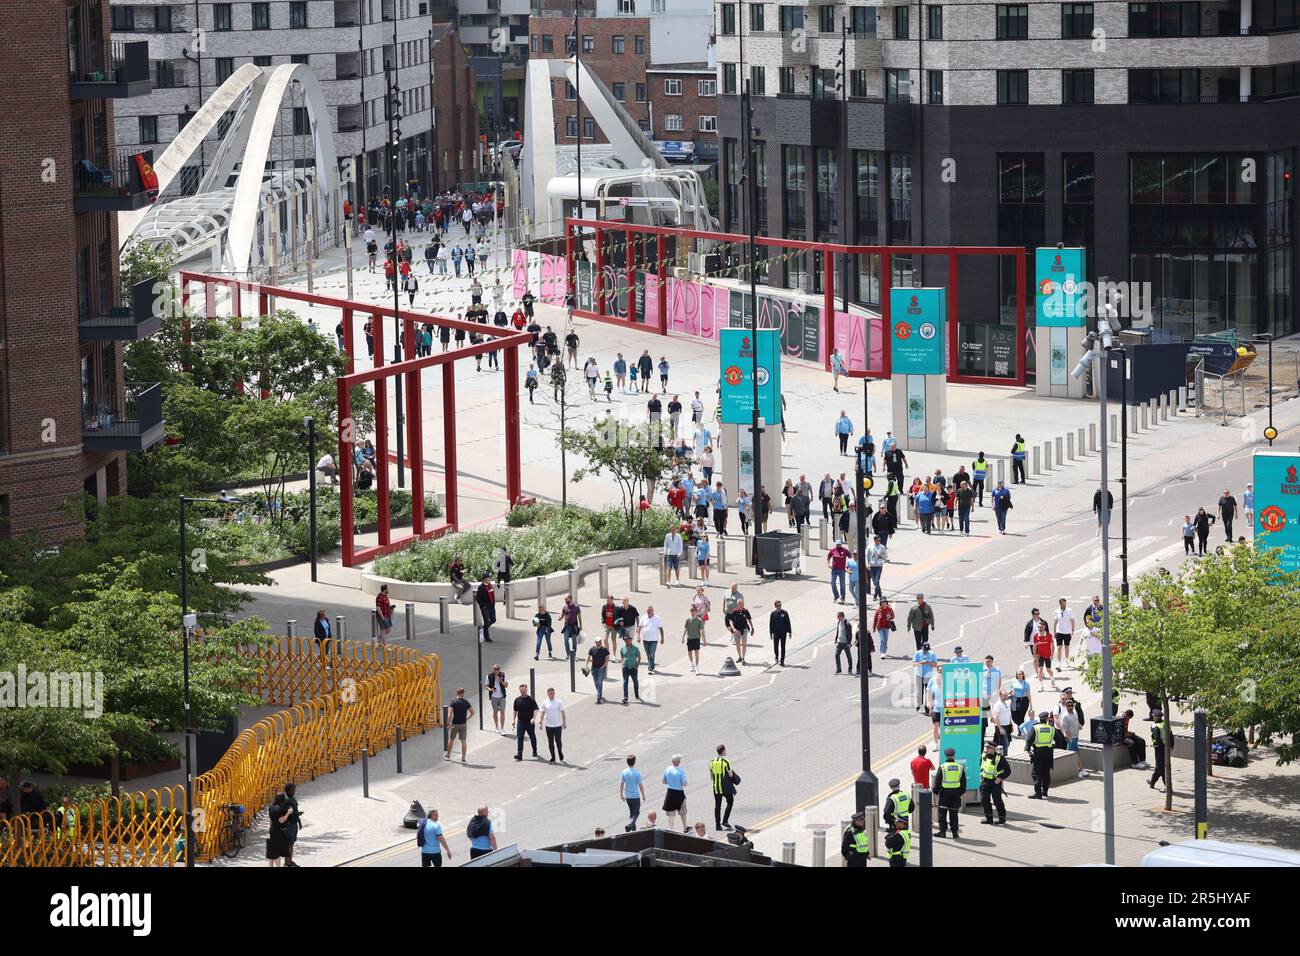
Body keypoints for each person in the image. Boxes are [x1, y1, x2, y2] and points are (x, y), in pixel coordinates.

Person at [932, 747, 966, 839]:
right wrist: (958, 793)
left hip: (944, 794)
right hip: (955, 794)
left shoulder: (942, 767)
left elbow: (937, 782)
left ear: (945, 756)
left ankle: (942, 832)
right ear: (954, 755)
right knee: (954, 813)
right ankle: (955, 833)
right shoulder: (960, 767)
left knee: (942, 813)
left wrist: (936, 792)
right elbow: (963, 785)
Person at [978, 741, 1011, 825]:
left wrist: (1000, 778)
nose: (987, 749)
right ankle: (989, 819)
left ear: (993, 749)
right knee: (984, 800)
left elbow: (1008, 770)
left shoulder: (1000, 758)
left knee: (997, 801)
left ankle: (1002, 819)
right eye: (986, 747)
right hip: (985, 781)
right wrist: (981, 773)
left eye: (988, 748)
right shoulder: (984, 756)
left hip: (995, 782)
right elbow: (982, 766)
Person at [1027, 711, 1056, 799]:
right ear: (1047, 719)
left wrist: (1028, 749)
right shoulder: (1051, 728)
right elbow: (1059, 739)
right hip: (1049, 752)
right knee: (1046, 772)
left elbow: (1029, 739)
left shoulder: (1035, 728)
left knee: (1036, 773)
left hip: (1038, 752)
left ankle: (1038, 793)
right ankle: (1045, 792)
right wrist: (1053, 746)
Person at [709, 744, 737, 831]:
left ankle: (717, 825)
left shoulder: (711, 762)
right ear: (723, 751)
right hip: (725, 787)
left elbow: (711, 776)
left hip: (715, 787)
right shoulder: (726, 762)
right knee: (730, 801)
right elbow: (730, 774)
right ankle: (725, 820)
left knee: (717, 806)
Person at [512, 684, 540, 760]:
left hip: (529, 723)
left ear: (527, 690)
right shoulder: (517, 700)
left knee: (532, 737)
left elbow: (535, 709)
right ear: (520, 691)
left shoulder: (531, 699)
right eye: (521, 690)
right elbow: (515, 710)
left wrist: (534, 718)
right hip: (520, 723)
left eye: (524, 690)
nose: (523, 691)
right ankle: (519, 754)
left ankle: (534, 750)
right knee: (520, 738)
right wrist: (513, 720)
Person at [538, 687, 567, 763]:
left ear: (554, 693)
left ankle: (560, 752)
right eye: (550, 693)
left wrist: (564, 723)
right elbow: (542, 713)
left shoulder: (559, 702)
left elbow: (563, 713)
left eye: (553, 693)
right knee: (550, 742)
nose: (552, 694)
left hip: (557, 725)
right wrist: (540, 722)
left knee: (558, 741)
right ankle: (553, 757)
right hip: (549, 726)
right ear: (547, 694)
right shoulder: (545, 702)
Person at [445, 687, 472, 763]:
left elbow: (450, 714)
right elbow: (472, 712)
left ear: (457, 693)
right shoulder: (466, 702)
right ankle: (463, 759)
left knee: (451, 739)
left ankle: (448, 755)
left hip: (455, 724)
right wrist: (467, 718)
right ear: (463, 694)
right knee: (463, 741)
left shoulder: (453, 702)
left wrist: (448, 723)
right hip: (463, 724)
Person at [662, 755, 689, 831]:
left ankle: (671, 829)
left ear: (672, 761)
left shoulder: (667, 769)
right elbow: (684, 783)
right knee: (683, 811)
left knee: (671, 813)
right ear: (679, 762)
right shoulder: (681, 770)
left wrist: (671, 782)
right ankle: (685, 827)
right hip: (679, 793)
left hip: (670, 792)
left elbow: (664, 781)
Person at [266, 793, 292, 867]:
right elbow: (281, 820)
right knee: (277, 852)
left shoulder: (271, 807)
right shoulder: (279, 808)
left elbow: (270, 820)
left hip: (272, 830)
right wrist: (288, 813)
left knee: (272, 851)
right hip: (277, 831)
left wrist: (271, 829)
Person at [621, 755, 646, 831]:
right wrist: (643, 795)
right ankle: (630, 824)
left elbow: (621, 785)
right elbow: (640, 785)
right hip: (635, 796)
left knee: (632, 813)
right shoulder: (637, 773)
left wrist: (621, 795)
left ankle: (633, 829)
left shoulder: (624, 772)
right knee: (636, 813)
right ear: (634, 762)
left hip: (628, 796)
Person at [1149, 709, 1172, 791]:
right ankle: (1152, 782)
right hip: (1166, 748)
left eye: (1153, 716)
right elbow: (1171, 735)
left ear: (1155, 717)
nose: (1152, 717)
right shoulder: (1166, 724)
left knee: (1160, 767)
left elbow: (1157, 739)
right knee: (1159, 766)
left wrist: (1156, 745)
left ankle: (1167, 787)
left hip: (1159, 749)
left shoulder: (1155, 727)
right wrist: (1171, 746)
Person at [485, 664, 509, 735]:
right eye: (495, 670)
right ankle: (496, 727)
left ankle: (502, 729)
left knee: (502, 711)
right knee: (495, 711)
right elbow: (486, 686)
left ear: (499, 670)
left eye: (497, 670)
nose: (496, 671)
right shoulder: (489, 676)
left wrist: (500, 681)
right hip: (493, 697)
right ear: (493, 670)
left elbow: (506, 685)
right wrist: (491, 690)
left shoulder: (503, 675)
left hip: (502, 696)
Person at [1053, 597, 1076, 669]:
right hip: (1059, 631)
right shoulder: (1057, 611)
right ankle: (1058, 663)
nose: (1064, 605)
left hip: (1067, 632)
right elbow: (1055, 622)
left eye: (1065, 603)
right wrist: (1054, 632)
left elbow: (1072, 621)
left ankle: (1066, 660)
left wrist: (1072, 630)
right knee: (1059, 647)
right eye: (1063, 604)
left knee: (1067, 647)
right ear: (1060, 604)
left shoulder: (1069, 610)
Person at [727, 599, 753, 664]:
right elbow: (730, 621)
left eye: (742, 604)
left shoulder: (746, 611)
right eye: (740, 604)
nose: (741, 605)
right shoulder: (734, 611)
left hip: (744, 629)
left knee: (744, 644)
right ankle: (740, 657)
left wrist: (752, 627)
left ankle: (743, 658)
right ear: (737, 605)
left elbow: (749, 619)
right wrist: (733, 629)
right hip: (736, 630)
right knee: (738, 645)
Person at [586, 638, 611, 703]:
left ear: (601, 642)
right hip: (593, 668)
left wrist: (604, 665)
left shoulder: (604, 649)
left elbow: (607, 657)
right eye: (597, 642)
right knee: (596, 682)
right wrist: (586, 664)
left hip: (601, 668)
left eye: (599, 641)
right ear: (595, 642)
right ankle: (599, 693)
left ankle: (599, 697)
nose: (598, 643)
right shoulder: (592, 649)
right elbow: (588, 657)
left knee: (600, 682)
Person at [640, 605, 664, 674]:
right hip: (645, 639)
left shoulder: (657, 618)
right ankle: (652, 665)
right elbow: (639, 626)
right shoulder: (644, 617)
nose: (648, 612)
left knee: (651, 653)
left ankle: (650, 668)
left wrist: (662, 638)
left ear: (653, 611)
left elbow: (660, 628)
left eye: (649, 611)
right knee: (648, 654)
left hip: (654, 640)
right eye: (647, 611)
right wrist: (638, 636)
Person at [619, 634, 642, 703]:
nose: (626, 641)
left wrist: (637, 665)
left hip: (633, 668)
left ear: (631, 640)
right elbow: (622, 656)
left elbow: (639, 657)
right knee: (625, 682)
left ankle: (636, 694)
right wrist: (622, 663)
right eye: (625, 640)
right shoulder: (622, 648)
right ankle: (625, 697)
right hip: (625, 668)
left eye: (628, 639)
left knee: (635, 681)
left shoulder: (635, 648)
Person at [474, 573, 497, 642]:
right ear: (485, 579)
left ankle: (483, 629)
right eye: (488, 578)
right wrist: (483, 606)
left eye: (490, 577)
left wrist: (493, 604)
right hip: (485, 608)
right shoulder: (481, 587)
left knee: (493, 619)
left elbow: (492, 595)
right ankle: (486, 637)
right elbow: (478, 598)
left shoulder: (490, 585)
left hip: (491, 606)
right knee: (486, 622)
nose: (490, 579)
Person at [558, 593, 582, 658]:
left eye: (566, 599)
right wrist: (560, 617)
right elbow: (562, 615)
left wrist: (581, 626)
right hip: (566, 626)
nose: (565, 600)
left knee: (574, 641)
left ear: (570, 599)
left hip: (574, 626)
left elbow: (579, 617)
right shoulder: (565, 607)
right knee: (566, 640)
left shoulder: (576, 607)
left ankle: (573, 654)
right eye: (565, 599)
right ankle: (568, 654)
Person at [769, 599, 792, 667]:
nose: (779, 606)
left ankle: (782, 661)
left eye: (780, 605)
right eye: (777, 605)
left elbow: (788, 622)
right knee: (776, 646)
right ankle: (776, 656)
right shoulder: (773, 614)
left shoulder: (784, 613)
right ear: (775, 606)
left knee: (783, 647)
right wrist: (771, 633)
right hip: (776, 633)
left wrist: (790, 632)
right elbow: (771, 624)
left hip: (783, 633)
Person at [833, 610, 854, 675]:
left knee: (848, 656)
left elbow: (850, 634)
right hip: (839, 643)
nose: (837, 618)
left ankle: (850, 669)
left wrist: (849, 643)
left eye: (838, 617)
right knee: (837, 655)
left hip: (845, 643)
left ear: (842, 616)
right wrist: (836, 639)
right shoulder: (839, 622)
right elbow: (838, 631)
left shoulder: (847, 624)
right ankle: (839, 669)